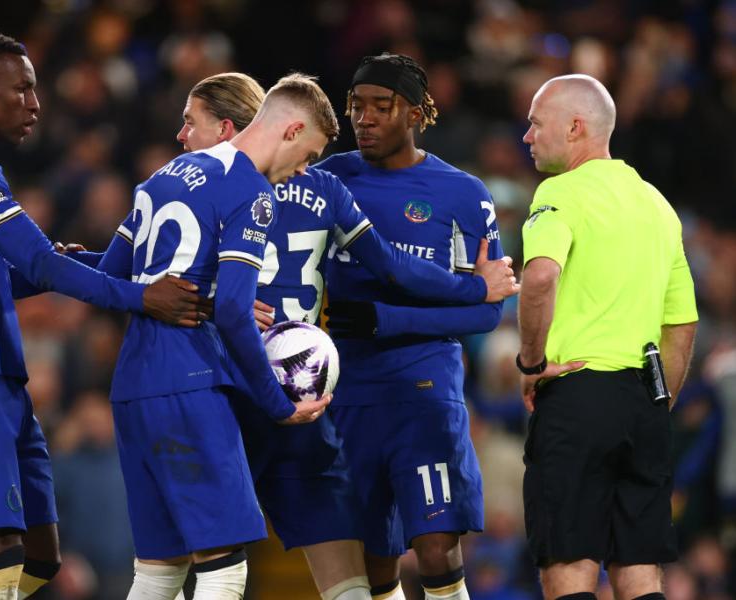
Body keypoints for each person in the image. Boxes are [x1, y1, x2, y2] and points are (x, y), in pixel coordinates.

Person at [122, 72, 514, 600]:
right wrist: (474, 289)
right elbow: (392, 265)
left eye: (190, 123)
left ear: (229, 128)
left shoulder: (199, 187)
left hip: (224, 389)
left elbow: (138, 276)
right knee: (343, 573)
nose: (182, 137)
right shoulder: (326, 183)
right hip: (299, 390)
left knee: (182, 570)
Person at [0, 31, 206, 600]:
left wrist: (108, 269)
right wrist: (142, 296)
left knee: (40, 558)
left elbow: (9, 274)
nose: (35, 104)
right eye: (21, 90)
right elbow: (39, 263)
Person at [93, 73, 337, 600]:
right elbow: (231, 310)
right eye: (309, 154)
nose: (304, 169)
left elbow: (112, 279)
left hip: (133, 386)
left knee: (158, 572)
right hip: (191, 384)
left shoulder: (163, 175)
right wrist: (277, 403)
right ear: (292, 130)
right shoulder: (252, 192)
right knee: (223, 569)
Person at [319, 53, 509, 600]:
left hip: (424, 384)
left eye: (382, 106)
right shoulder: (334, 179)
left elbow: (486, 310)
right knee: (373, 550)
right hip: (348, 386)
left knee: (434, 543)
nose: (365, 118)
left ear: (416, 112)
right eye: (357, 106)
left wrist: (386, 319)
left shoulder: (462, 193)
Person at [516, 74, 698, 600]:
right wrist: (659, 402)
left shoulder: (560, 191)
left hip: (576, 397)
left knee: (569, 567)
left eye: (535, 123)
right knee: (639, 572)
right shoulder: (658, 205)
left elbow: (540, 276)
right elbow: (682, 322)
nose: (527, 136)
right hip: (644, 402)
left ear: (575, 128)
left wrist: (530, 365)